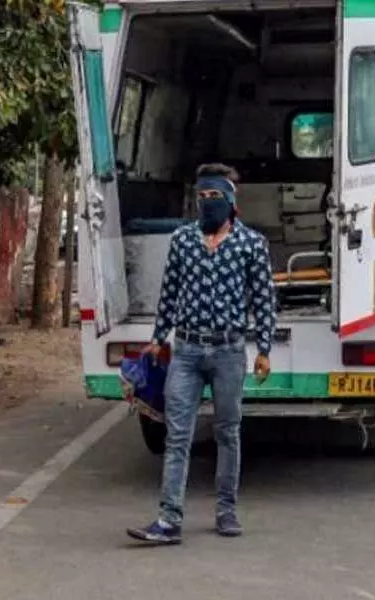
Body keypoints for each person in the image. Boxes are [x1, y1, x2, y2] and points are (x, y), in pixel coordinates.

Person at [127, 163, 277, 545]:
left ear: (230, 201)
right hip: (188, 350)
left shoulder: (252, 245)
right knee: (177, 435)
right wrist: (158, 338)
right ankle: (168, 519)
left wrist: (264, 348)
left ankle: (226, 511)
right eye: (202, 197)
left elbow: (263, 299)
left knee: (228, 433)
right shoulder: (182, 240)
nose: (207, 204)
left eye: (214, 197)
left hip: (229, 351)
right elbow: (169, 292)